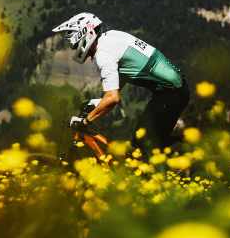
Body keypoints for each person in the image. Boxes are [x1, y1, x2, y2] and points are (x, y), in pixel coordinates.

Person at [52, 12, 189, 148]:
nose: (74, 49)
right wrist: (99, 103)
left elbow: (113, 98)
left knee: (144, 143)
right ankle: (186, 147)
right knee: (143, 141)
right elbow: (120, 80)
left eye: (75, 45)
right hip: (172, 90)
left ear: (86, 35)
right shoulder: (111, 37)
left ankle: (188, 155)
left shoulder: (103, 54)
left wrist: (86, 122)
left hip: (171, 93)